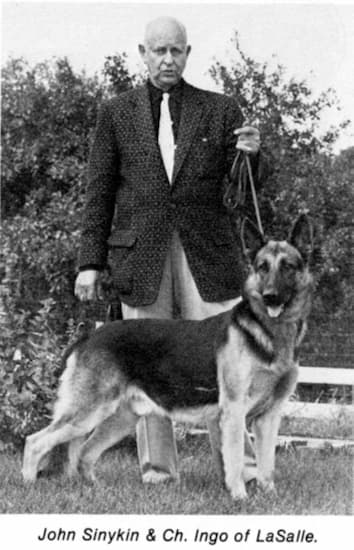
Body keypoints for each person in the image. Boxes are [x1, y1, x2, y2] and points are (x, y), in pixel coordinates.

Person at [75, 16, 271, 484]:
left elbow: (243, 191)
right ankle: (158, 470)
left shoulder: (222, 109)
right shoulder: (115, 112)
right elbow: (99, 191)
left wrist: (253, 155)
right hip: (139, 258)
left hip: (209, 255)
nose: (167, 59)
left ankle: (239, 467)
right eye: (158, 51)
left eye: (176, 51)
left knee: (231, 362)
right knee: (146, 362)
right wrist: (89, 263)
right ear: (142, 53)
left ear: (188, 54)